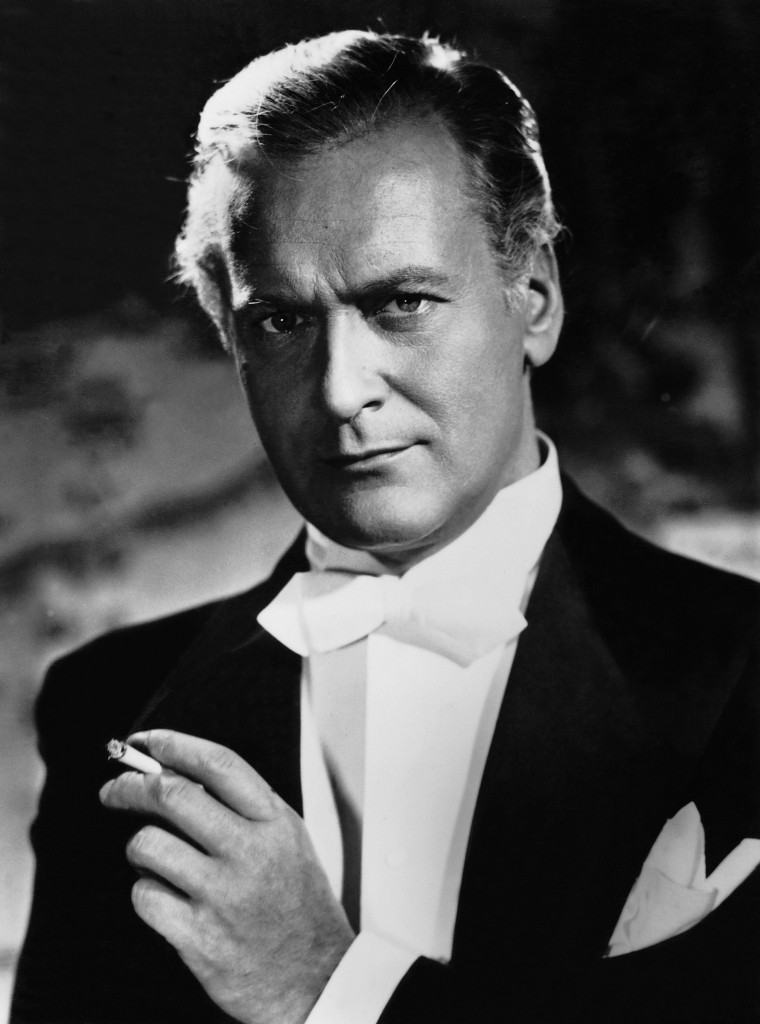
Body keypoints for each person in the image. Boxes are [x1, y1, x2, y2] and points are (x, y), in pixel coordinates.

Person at [10, 30, 760, 1024]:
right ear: (230, 338)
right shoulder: (109, 705)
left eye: (400, 302)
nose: (340, 390)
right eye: (281, 322)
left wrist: (326, 986)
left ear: (535, 300)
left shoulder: (740, 675)